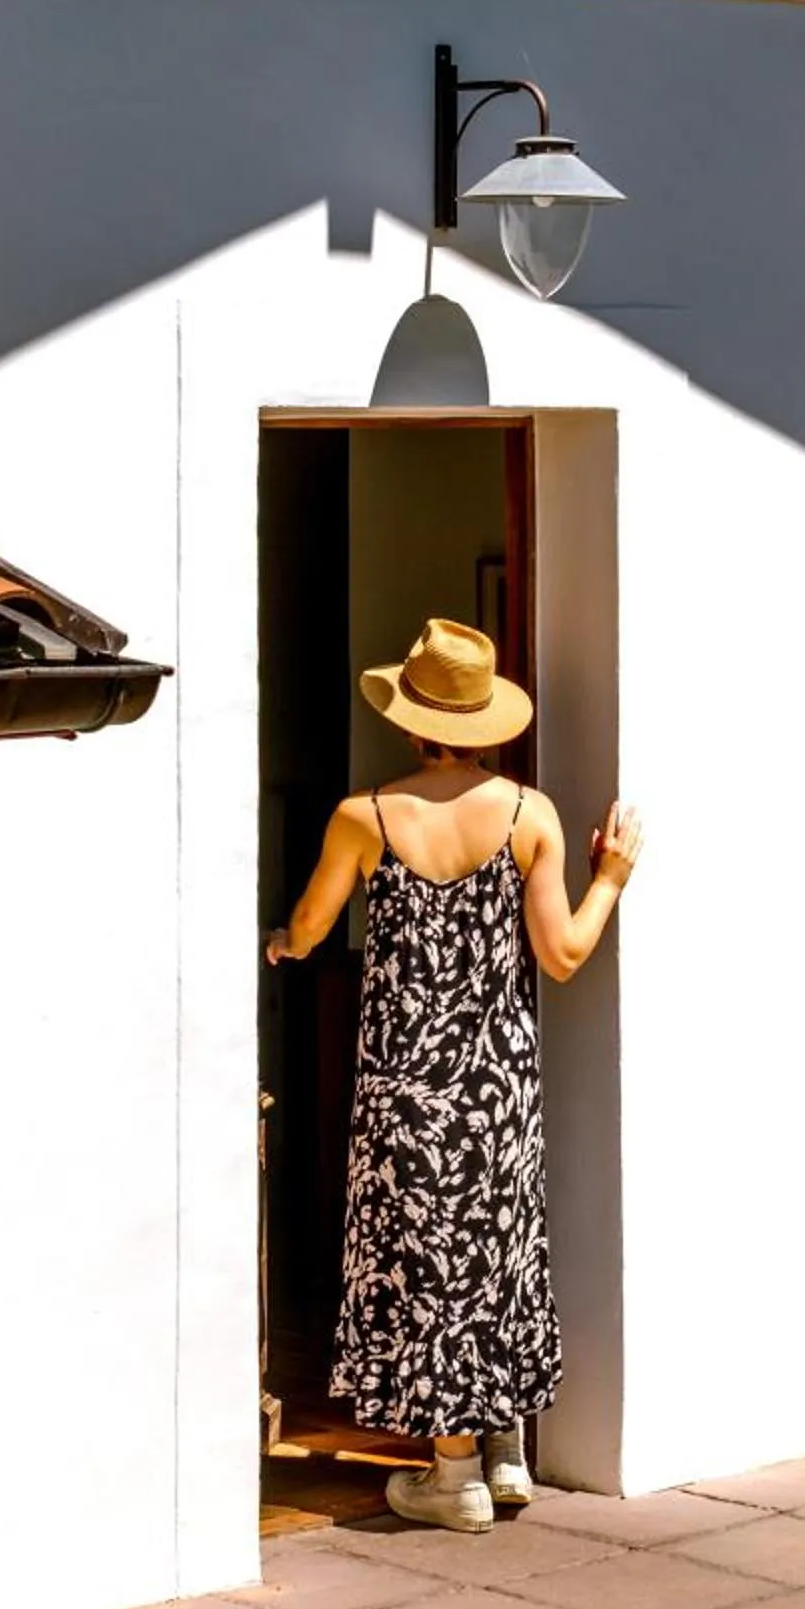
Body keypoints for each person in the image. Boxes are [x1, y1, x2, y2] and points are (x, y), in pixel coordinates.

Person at [266, 615, 641, 1533]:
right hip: (497, 1082)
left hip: (405, 1080)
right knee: (498, 1250)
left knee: (424, 1263)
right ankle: (506, 1449)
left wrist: (282, 940)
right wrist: (613, 879)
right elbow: (561, 957)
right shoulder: (530, 815)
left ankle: (455, 1470)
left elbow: (311, 927)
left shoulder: (367, 816)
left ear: (410, 721)